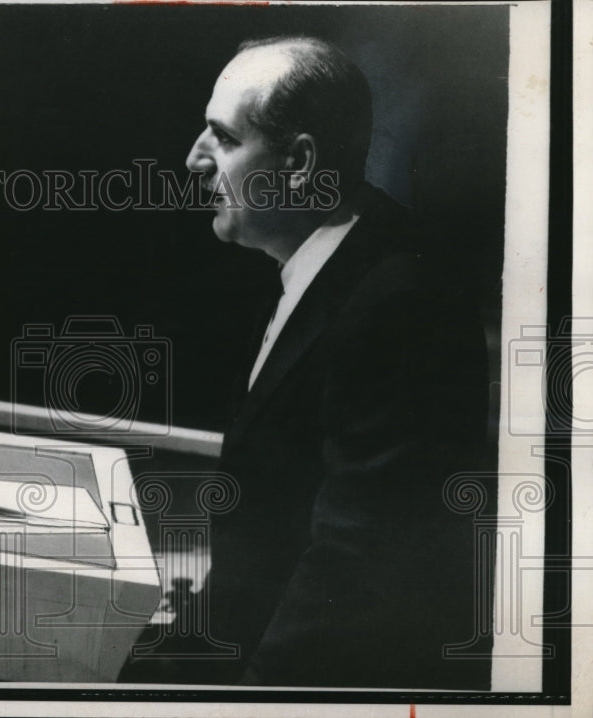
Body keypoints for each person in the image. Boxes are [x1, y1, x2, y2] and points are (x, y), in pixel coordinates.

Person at [120, 36, 493, 689]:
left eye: (224, 139)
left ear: (299, 163)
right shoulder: (339, 261)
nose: (192, 160)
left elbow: (355, 577)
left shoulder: (398, 306)